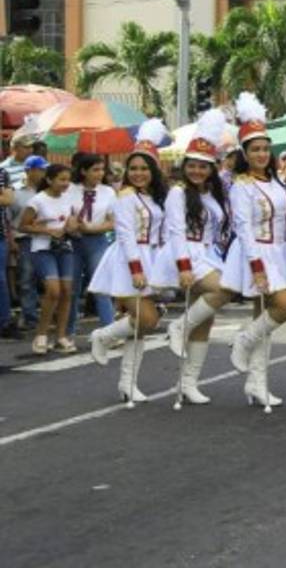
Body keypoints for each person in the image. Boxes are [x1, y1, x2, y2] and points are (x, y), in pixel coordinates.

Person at [223, 93, 286, 407]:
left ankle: (257, 383)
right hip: (256, 253)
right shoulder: (241, 185)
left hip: (279, 253)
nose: (261, 154)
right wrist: (256, 267)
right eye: (255, 149)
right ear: (245, 153)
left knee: (264, 316)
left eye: (265, 149)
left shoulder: (277, 182)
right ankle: (243, 340)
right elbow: (243, 228)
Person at [150, 110, 231, 405]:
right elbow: (175, 231)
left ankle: (188, 382)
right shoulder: (178, 193)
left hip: (208, 254)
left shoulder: (213, 194)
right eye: (192, 165)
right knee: (223, 290)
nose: (197, 171)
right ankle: (178, 326)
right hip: (185, 254)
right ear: (185, 167)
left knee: (205, 320)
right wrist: (183, 267)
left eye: (203, 166)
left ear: (212, 169)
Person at [87, 119, 170, 404]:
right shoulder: (125, 196)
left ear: (154, 170)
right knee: (146, 319)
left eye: (144, 168)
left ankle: (128, 383)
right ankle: (103, 336)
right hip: (127, 261)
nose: (138, 173)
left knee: (141, 325)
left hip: (152, 259)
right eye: (133, 168)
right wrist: (136, 269)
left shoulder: (155, 197)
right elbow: (124, 235)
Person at [20, 163, 79, 354]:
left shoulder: (69, 198)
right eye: (62, 179)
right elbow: (22, 226)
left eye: (68, 180)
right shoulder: (37, 200)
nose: (66, 183)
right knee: (53, 290)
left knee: (67, 291)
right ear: (49, 180)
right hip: (42, 249)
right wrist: (46, 230)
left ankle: (61, 337)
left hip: (65, 248)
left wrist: (72, 226)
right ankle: (41, 335)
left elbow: (73, 222)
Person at [66, 153, 116, 333]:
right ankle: (68, 330)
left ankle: (109, 329)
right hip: (73, 241)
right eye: (95, 170)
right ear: (83, 171)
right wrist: (72, 224)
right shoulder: (70, 189)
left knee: (101, 286)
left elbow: (112, 222)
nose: (100, 173)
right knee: (72, 288)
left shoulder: (108, 192)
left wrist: (91, 228)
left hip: (97, 240)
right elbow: (62, 213)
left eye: (102, 170)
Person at [10, 155, 47, 331]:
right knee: (26, 279)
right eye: (40, 169)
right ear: (28, 170)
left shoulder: (48, 190)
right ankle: (30, 316)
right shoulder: (15, 191)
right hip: (24, 238)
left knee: (49, 279)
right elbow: (9, 218)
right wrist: (12, 240)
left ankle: (50, 315)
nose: (43, 173)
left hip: (47, 237)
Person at [0, 160, 16, 339]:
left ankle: (4, 322)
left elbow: (8, 199)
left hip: (0, 234)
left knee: (1, 280)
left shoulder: (2, 173)